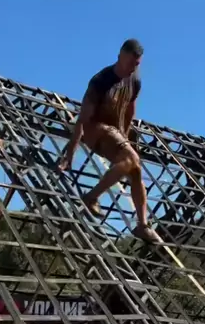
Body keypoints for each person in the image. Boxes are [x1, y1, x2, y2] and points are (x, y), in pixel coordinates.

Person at [59, 39, 162, 244]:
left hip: (114, 132)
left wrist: (125, 134)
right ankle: (92, 197)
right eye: (131, 63)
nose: (133, 68)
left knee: (135, 169)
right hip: (95, 130)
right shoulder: (101, 81)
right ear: (121, 55)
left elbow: (130, 107)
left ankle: (142, 226)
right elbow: (82, 119)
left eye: (137, 64)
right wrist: (70, 153)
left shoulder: (134, 81)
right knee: (132, 159)